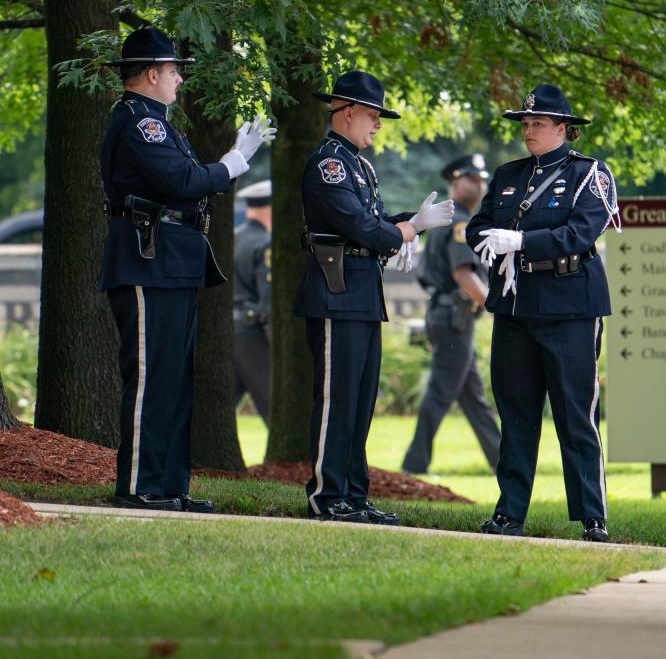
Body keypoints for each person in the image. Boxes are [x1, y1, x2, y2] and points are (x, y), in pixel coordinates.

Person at [100, 26, 274, 512]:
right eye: (174, 71)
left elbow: (189, 182)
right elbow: (184, 180)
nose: (180, 80)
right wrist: (235, 163)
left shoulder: (161, 122)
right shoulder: (140, 121)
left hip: (170, 259)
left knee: (175, 380)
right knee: (151, 376)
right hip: (145, 258)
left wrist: (224, 165)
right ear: (152, 73)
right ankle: (139, 485)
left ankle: (169, 484)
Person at [296, 70, 454, 524]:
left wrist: (412, 219)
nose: (378, 124)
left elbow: (377, 219)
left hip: (361, 289)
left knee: (360, 400)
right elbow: (362, 227)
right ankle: (328, 495)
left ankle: (354, 493)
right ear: (347, 113)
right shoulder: (329, 163)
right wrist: (409, 230)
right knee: (336, 399)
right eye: (372, 115)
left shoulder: (359, 165)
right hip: (335, 287)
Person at [466, 84, 619, 543]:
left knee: (575, 414)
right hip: (516, 302)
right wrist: (493, 246)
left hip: (569, 302)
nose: (528, 130)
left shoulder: (590, 174)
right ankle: (509, 512)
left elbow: (579, 232)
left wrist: (522, 242)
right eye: (525, 123)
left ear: (564, 129)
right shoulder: (508, 173)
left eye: (538, 123)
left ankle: (593, 515)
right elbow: (477, 227)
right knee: (516, 414)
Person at [401, 154, 501, 475]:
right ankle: (414, 465)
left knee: (472, 398)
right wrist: (494, 306)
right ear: (455, 182)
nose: (480, 185)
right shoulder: (459, 221)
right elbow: (464, 275)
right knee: (440, 394)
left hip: (447, 316)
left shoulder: (447, 219)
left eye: (482, 179)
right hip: (453, 318)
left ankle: (504, 462)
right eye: (473, 179)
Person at [234, 179, 272, 423]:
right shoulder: (265, 244)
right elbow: (268, 301)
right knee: (276, 408)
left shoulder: (232, 238)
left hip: (225, 332)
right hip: (252, 334)